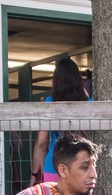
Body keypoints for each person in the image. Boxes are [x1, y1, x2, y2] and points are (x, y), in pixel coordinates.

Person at [29, 58, 91, 186]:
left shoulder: (50, 102)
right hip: (80, 165)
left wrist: (38, 171)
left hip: (54, 165)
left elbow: (41, 143)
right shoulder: (89, 103)